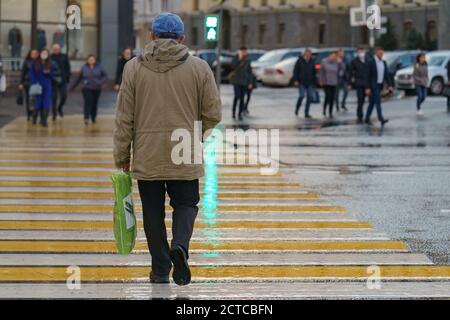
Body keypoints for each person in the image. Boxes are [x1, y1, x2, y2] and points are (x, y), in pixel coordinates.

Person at [113, 13, 221, 286]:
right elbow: (213, 113)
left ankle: (160, 269)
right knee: (186, 203)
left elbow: (124, 117)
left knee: (152, 213)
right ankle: (181, 247)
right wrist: (196, 137)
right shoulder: (199, 68)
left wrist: (122, 155)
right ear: (182, 38)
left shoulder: (133, 68)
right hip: (184, 150)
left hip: (147, 153)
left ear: (152, 37)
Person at [71, 54, 107, 125]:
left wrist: (100, 82)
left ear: (95, 60)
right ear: (87, 60)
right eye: (90, 59)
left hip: (97, 88)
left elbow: (105, 76)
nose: (91, 61)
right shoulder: (84, 67)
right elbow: (79, 78)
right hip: (86, 88)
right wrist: (72, 86)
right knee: (88, 102)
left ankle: (93, 117)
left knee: (94, 103)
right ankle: (86, 117)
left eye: (92, 59)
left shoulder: (99, 67)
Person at [365, 47, 393, 126]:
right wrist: (367, 88)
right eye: (380, 53)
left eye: (382, 53)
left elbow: (386, 75)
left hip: (380, 85)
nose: (381, 55)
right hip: (373, 85)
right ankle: (381, 119)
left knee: (372, 103)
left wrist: (389, 85)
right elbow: (367, 75)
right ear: (376, 53)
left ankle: (367, 118)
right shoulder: (371, 62)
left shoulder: (383, 62)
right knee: (378, 102)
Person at [29, 49, 57, 127]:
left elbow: (54, 74)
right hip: (38, 85)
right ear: (40, 54)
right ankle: (34, 117)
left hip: (47, 85)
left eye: (46, 53)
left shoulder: (51, 64)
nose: (44, 54)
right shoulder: (35, 63)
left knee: (46, 102)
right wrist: (35, 82)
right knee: (38, 102)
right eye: (43, 53)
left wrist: (49, 73)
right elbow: (31, 73)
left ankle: (44, 120)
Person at [229, 47, 253, 120]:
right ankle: (233, 112)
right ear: (239, 52)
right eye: (242, 51)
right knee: (237, 96)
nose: (244, 52)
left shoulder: (247, 60)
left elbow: (249, 72)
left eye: (245, 51)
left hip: (244, 82)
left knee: (242, 98)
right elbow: (232, 66)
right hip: (236, 81)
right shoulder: (235, 58)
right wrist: (239, 59)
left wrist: (250, 82)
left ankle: (239, 114)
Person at [293, 49, 316, 119]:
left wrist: (315, 81)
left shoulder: (312, 61)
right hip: (301, 82)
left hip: (310, 82)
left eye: (310, 54)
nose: (308, 55)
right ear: (304, 54)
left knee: (310, 97)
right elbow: (295, 71)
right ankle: (297, 108)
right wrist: (296, 80)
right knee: (302, 96)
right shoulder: (300, 61)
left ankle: (306, 113)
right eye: (307, 54)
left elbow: (314, 72)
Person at [50, 43, 71, 120]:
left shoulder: (64, 56)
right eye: (54, 49)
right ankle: (54, 114)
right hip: (53, 81)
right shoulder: (50, 57)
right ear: (52, 49)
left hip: (63, 80)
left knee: (64, 96)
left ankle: (60, 108)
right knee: (53, 99)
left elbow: (68, 68)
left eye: (57, 48)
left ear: (60, 49)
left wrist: (67, 78)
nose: (56, 50)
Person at [349, 47, 370, 123]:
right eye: (359, 51)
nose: (361, 53)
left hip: (368, 84)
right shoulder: (354, 61)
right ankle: (359, 115)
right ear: (357, 52)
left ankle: (368, 114)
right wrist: (350, 83)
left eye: (362, 51)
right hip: (359, 83)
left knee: (369, 100)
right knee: (360, 100)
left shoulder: (368, 60)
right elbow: (351, 73)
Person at [19, 49, 40, 121]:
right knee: (28, 99)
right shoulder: (26, 62)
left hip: (37, 83)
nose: (34, 55)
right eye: (32, 53)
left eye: (35, 53)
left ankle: (35, 113)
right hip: (27, 83)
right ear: (30, 54)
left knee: (35, 98)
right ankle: (29, 113)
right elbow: (23, 73)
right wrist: (21, 83)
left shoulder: (39, 62)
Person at [319, 51, 339, 118]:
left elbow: (342, 69)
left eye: (335, 56)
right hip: (326, 82)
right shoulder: (324, 61)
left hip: (334, 82)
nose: (334, 57)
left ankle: (330, 111)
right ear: (330, 55)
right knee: (328, 96)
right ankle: (324, 109)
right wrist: (321, 80)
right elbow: (321, 72)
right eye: (332, 56)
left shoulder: (336, 62)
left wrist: (340, 62)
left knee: (332, 98)